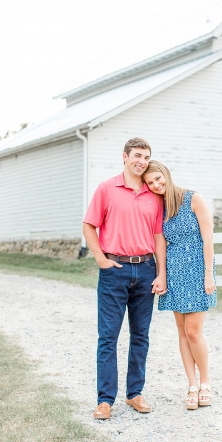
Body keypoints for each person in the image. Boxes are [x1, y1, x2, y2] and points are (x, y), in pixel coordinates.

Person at [83, 137, 167, 420]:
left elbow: (158, 236)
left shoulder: (154, 194)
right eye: (137, 155)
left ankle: (135, 394)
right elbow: (89, 225)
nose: (141, 161)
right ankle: (105, 400)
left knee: (140, 336)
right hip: (114, 271)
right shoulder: (107, 188)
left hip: (145, 270)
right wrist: (101, 260)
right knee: (108, 337)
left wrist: (160, 272)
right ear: (125, 157)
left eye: (146, 156)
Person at [143, 160, 217, 409]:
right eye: (150, 182)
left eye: (158, 179)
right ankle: (191, 385)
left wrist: (208, 273)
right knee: (182, 331)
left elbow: (208, 238)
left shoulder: (193, 199)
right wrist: (162, 274)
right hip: (174, 271)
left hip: (197, 268)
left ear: (166, 174)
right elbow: (160, 243)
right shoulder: (159, 207)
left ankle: (205, 382)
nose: (155, 185)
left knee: (194, 331)